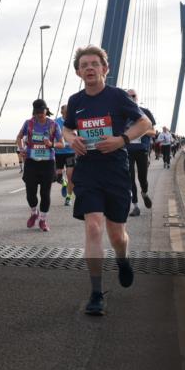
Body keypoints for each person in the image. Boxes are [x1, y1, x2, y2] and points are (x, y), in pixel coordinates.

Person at [63, 45, 152, 316]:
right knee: (93, 227)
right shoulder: (76, 101)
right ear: (78, 73)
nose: (89, 68)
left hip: (115, 171)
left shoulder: (117, 97)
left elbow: (144, 123)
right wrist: (72, 139)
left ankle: (123, 260)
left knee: (117, 235)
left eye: (94, 64)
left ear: (105, 68)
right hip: (88, 170)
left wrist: (121, 140)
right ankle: (96, 292)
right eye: (84, 65)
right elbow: (67, 128)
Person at [16, 99, 63, 232]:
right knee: (30, 193)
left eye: (42, 112)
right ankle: (34, 212)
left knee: (45, 193)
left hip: (48, 163)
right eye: (37, 112)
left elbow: (62, 144)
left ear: (46, 110)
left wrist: (51, 144)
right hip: (31, 162)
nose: (40, 115)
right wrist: (21, 149)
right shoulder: (28, 123)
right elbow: (19, 137)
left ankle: (42, 219)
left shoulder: (53, 125)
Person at [124, 88, 157, 217]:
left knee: (142, 178)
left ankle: (144, 192)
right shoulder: (122, 113)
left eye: (133, 96)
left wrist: (140, 131)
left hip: (142, 149)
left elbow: (153, 132)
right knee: (130, 178)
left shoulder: (145, 112)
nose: (131, 98)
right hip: (127, 150)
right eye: (128, 96)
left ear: (137, 97)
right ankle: (135, 206)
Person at [55, 104, 76, 206]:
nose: (68, 112)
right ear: (62, 112)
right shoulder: (56, 122)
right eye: (66, 111)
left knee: (70, 175)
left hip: (70, 152)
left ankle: (68, 197)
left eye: (69, 111)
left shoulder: (74, 121)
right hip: (58, 152)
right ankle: (64, 182)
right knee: (57, 176)